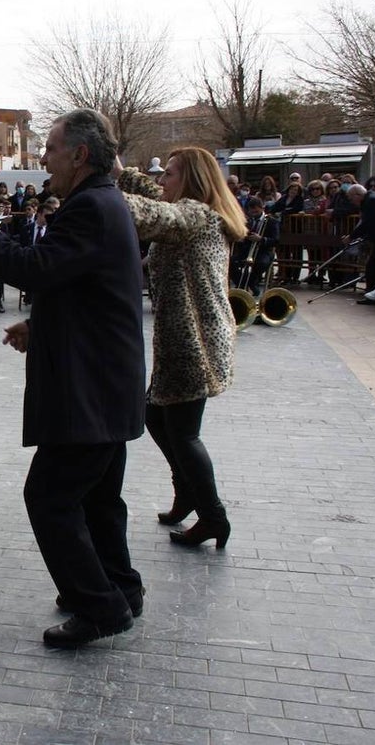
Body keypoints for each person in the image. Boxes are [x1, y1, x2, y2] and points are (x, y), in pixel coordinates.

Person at [0, 108, 145, 649]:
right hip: (106, 383)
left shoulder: (90, 207)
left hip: (91, 390)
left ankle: (100, 606)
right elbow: (84, 290)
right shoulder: (102, 202)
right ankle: (119, 587)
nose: (44, 158)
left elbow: (36, 268)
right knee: (98, 499)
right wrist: (40, 327)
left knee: (51, 497)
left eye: (53, 149)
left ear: (80, 155)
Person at [115, 146, 246, 551]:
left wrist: (103, 192)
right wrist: (119, 171)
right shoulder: (192, 212)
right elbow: (156, 200)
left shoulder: (198, 217)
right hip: (180, 339)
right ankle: (187, 490)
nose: (162, 181)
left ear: (191, 180)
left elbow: (154, 214)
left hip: (196, 343)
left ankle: (213, 516)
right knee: (155, 415)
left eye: (169, 173)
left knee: (184, 434)